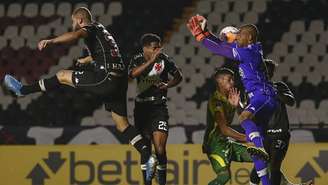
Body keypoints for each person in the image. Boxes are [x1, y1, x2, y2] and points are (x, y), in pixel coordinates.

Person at [4, 7, 156, 180]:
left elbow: (75, 36)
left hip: (106, 77)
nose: (73, 24)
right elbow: (106, 53)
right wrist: (85, 60)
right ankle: (146, 154)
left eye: (73, 21)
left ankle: (23, 91)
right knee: (122, 125)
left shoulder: (89, 28)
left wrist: (51, 41)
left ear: (80, 20)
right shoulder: (102, 31)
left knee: (62, 75)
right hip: (119, 80)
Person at [187, 15, 277, 185]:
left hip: (262, 96)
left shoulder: (247, 52)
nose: (237, 36)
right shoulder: (250, 48)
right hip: (262, 99)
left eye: (240, 34)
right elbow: (222, 45)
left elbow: (219, 50)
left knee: (244, 119)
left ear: (249, 37)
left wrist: (200, 37)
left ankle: (258, 146)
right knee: (257, 151)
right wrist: (207, 33)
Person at [129, 33, 183, 185]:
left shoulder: (164, 59)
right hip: (141, 108)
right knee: (145, 148)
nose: (158, 50)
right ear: (145, 48)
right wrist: (151, 61)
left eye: (159, 46)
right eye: (155, 48)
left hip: (158, 107)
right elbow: (132, 74)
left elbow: (179, 76)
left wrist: (168, 85)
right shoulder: (137, 59)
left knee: (160, 148)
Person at [249, 59, 313, 185]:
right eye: (262, 70)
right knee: (259, 168)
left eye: (269, 71)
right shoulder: (254, 90)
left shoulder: (279, 86)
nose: (265, 74)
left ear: (271, 74)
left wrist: (273, 91)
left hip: (280, 134)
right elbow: (248, 112)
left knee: (274, 166)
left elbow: (291, 101)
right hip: (265, 136)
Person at [204, 67, 266, 185]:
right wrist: (247, 138)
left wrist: (238, 105)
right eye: (229, 80)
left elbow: (245, 117)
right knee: (224, 177)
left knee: (262, 157)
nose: (233, 82)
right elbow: (224, 130)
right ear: (220, 81)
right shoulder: (216, 101)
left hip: (227, 143)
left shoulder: (232, 96)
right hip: (214, 145)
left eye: (233, 79)